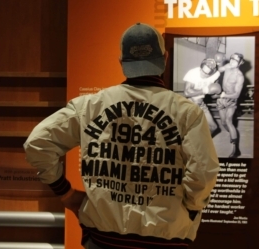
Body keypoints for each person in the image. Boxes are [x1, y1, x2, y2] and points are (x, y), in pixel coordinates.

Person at [24, 23, 219, 249]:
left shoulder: (89, 106)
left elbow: (38, 144)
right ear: (164, 57)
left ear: (121, 62)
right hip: (166, 239)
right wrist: (191, 208)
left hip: (103, 239)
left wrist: (65, 193)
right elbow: (203, 171)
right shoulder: (187, 113)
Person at [216, 53, 245, 158]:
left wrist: (225, 95)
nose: (232, 61)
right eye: (231, 58)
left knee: (229, 121)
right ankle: (234, 135)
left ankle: (235, 149)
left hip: (231, 100)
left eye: (235, 60)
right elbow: (219, 70)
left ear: (240, 62)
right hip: (221, 98)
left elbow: (236, 95)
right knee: (223, 123)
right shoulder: (228, 66)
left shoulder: (239, 76)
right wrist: (219, 63)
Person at [183, 58, 222, 135]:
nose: (203, 74)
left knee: (213, 127)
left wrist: (219, 94)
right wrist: (205, 91)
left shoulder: (215, 75)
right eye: (202, 71)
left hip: (201, 104)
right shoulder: (193, 73)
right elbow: (187, 92)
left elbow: (213, 95)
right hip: (190, 103)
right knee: (188, 129)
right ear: (200, 67)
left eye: (206, 74)